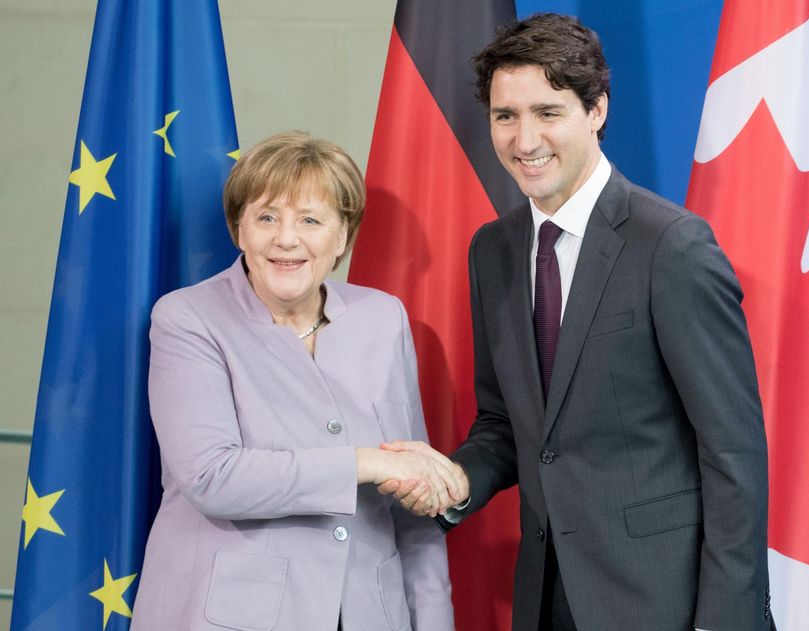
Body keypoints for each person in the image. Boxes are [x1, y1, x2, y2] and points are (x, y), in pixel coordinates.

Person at [381, 13, 774, 631]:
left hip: (664, 602)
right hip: (546, 597)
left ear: (596, 112)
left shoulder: (670, 245)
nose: (524, 139)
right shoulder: (493, 250)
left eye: (547, 112)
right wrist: (456, 479)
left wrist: (726, 619)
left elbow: (733, 451)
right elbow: (506, 424)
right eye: (505, 116)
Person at [131, 131, 460, 631]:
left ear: (342, 235)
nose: (287, 238)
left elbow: (413, 506)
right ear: (239, 229)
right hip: (233, 615)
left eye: (310, 219)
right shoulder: (188, 318)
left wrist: (434, 621)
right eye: (267, 217)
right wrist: (364, 462)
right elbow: (212, 479)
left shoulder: (381, 316)